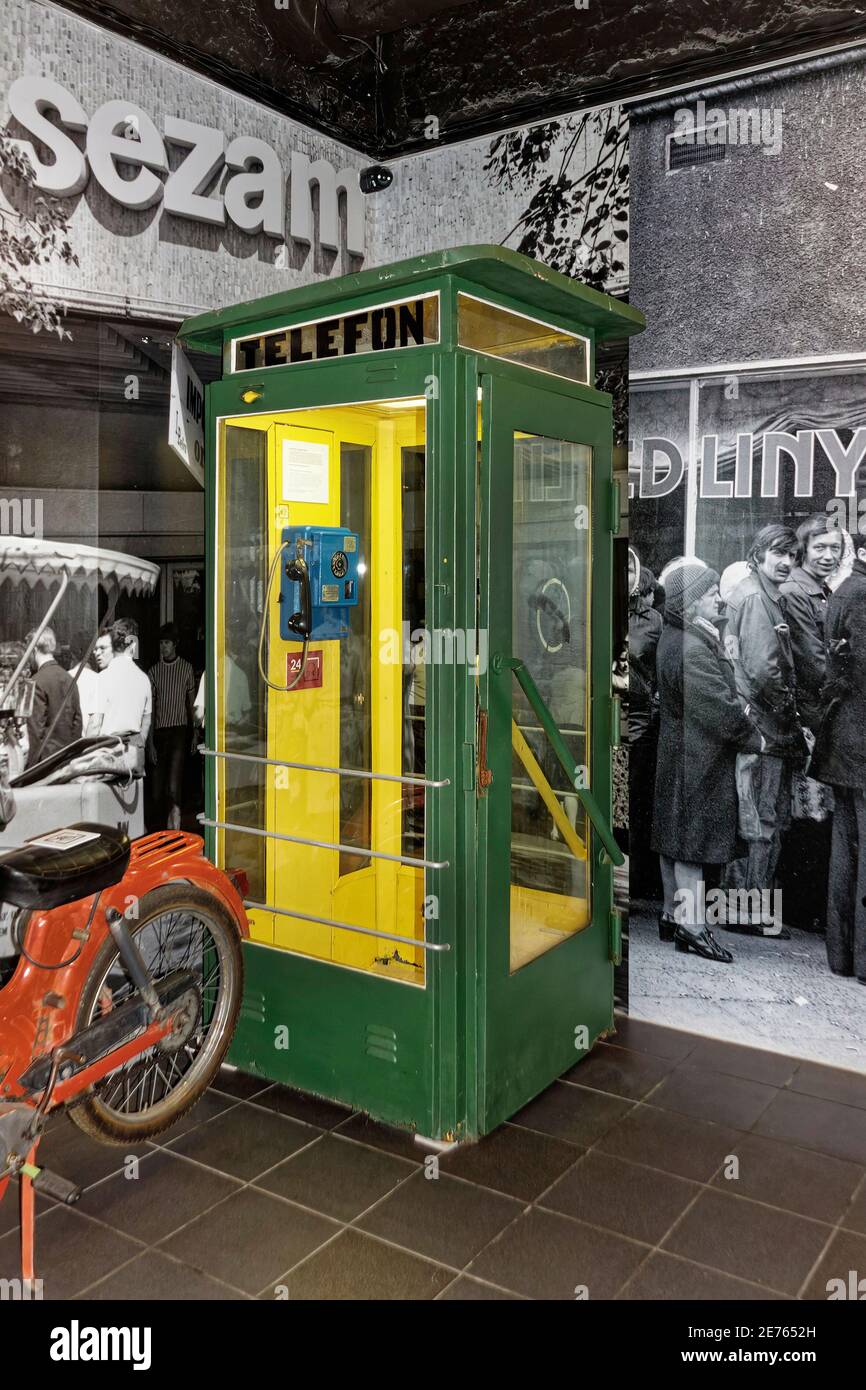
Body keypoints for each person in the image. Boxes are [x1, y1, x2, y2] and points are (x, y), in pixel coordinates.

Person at [652, 562, 763, 962]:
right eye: (710, 591)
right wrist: (753, 735)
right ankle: (694, 928)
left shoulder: (678, 637)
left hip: (681, 755)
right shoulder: (693, 646)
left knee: (674, 840)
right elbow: (717, 707)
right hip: (699, 759)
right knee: (692, 848)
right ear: (690, 602)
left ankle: (672, 916)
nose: (718, 597)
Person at [721, 523, 806, 936]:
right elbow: (762, 670)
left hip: (760, 727)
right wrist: (791, 715)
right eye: (778, 553)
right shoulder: (757, 599)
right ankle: (747, 911)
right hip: (764, 729)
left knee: (756, 818)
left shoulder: (758, 595)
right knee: (761, 820)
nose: (787, 562)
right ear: (758, 554)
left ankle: (746, 909)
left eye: (791, 554)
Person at [777, 515, 843, 933]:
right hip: (812, 716)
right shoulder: (798, 591)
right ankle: (802, 908)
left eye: (834, 548)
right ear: (804, 550)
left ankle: (807, 907)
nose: (827, 555)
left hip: (822, 714)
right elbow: (814, 660)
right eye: (819, 548)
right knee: (809, 813)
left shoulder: (820, 590)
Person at [811, 539, 866, 983]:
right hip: (859, 741)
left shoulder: (847, 589)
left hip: (848, 741)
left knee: (847, 849)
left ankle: (844, 955)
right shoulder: (861, 593)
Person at [147, 623, 196, 830]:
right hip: (159, 732)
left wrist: (194, 735)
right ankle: (160, 833)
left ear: (175, 644)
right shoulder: (154, 672)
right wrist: (150, 743)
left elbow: (192, 704)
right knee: (157, 790)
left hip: (179, 732)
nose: (163, 647)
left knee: (174, 787)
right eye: (161, 643)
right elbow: (150, 710)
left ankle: (174, 831)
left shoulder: (186, 668)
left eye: (167, 643)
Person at [25, 625, 82, 767]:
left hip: (45, 763)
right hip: (68, 760)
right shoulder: (70, 678)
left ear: (34, 649)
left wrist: (30, 770)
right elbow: (77, 723)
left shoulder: (36, 681)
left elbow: (35, 731)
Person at [96, 618, 152, 748]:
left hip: (109, 747)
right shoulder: (143, 678)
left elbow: (96, 722)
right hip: (134, 748)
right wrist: (140, 742)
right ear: (133, 644)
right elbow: (147, 720)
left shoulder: (103, 677)